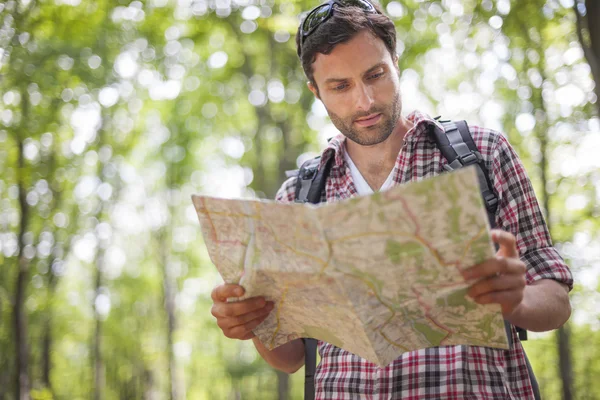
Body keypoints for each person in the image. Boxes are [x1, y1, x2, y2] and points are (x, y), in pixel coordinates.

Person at [210, 1, 573, 398]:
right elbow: (292, 356)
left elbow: (554, 299)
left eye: (375, 74)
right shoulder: (297, 198)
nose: (364, 101)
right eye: (340, 86)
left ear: (396, 62)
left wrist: (515, 302)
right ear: (316, 91)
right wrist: (253, 325)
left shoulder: (481, 155)